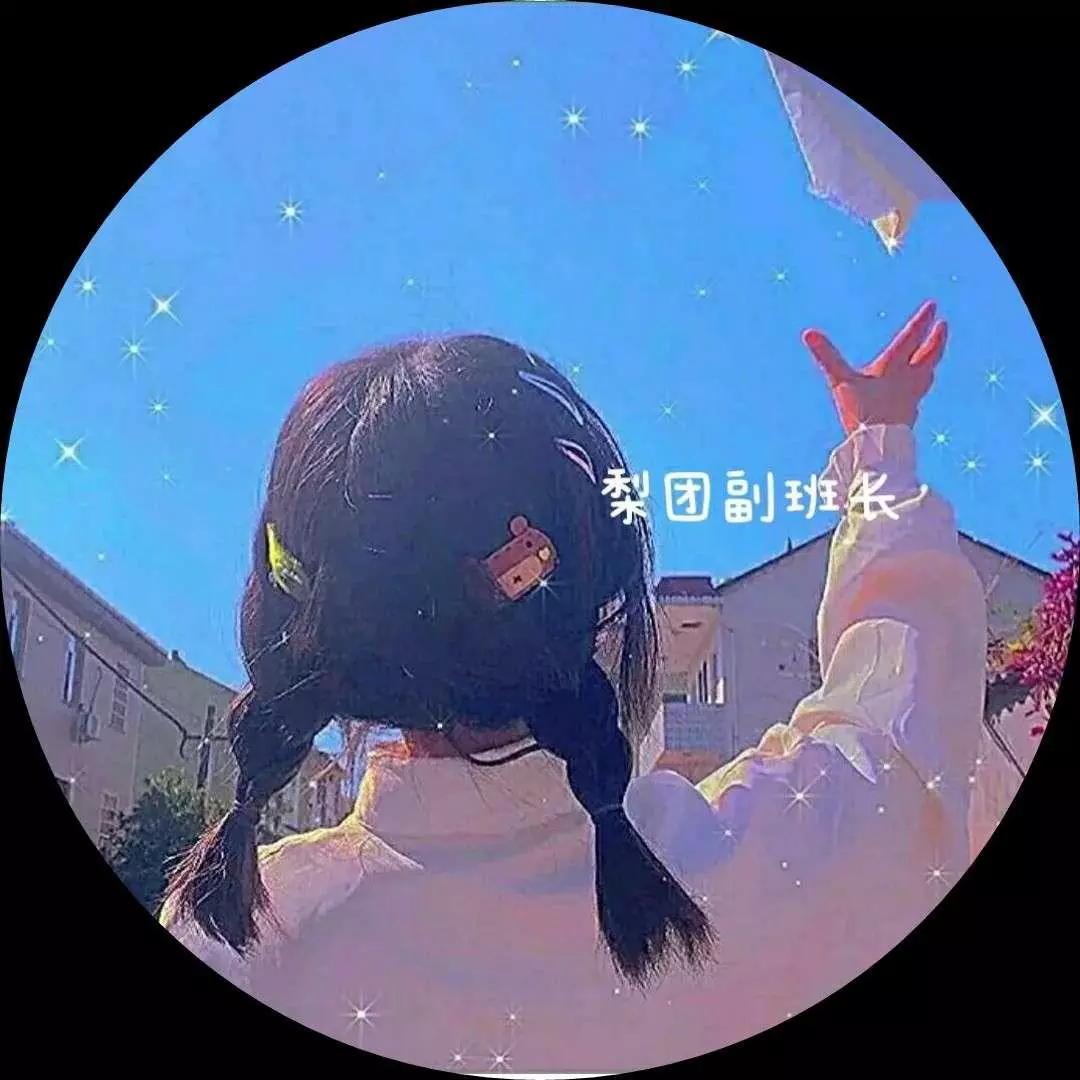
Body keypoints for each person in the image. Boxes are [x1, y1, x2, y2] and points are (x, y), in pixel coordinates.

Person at [160, 302, 987, 1074]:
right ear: (596, 586)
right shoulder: (766, 859)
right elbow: (901, 718)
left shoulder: (237, 940)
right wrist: (880, 453)